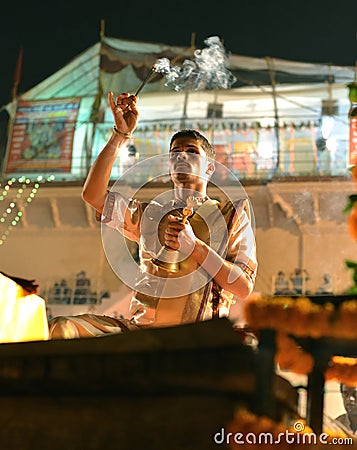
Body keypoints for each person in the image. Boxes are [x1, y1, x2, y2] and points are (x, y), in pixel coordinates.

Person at [49, 92, 257, 338]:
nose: (181, 155)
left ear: (209, 168)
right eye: (175, 152)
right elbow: (93, 195)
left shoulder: (230, 214)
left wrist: (196, 248)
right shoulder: (149, 214)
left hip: (199, 336)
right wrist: (120, 135)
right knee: (63, 328)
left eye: (192, 151)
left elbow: (243, 287)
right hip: (141, 333)